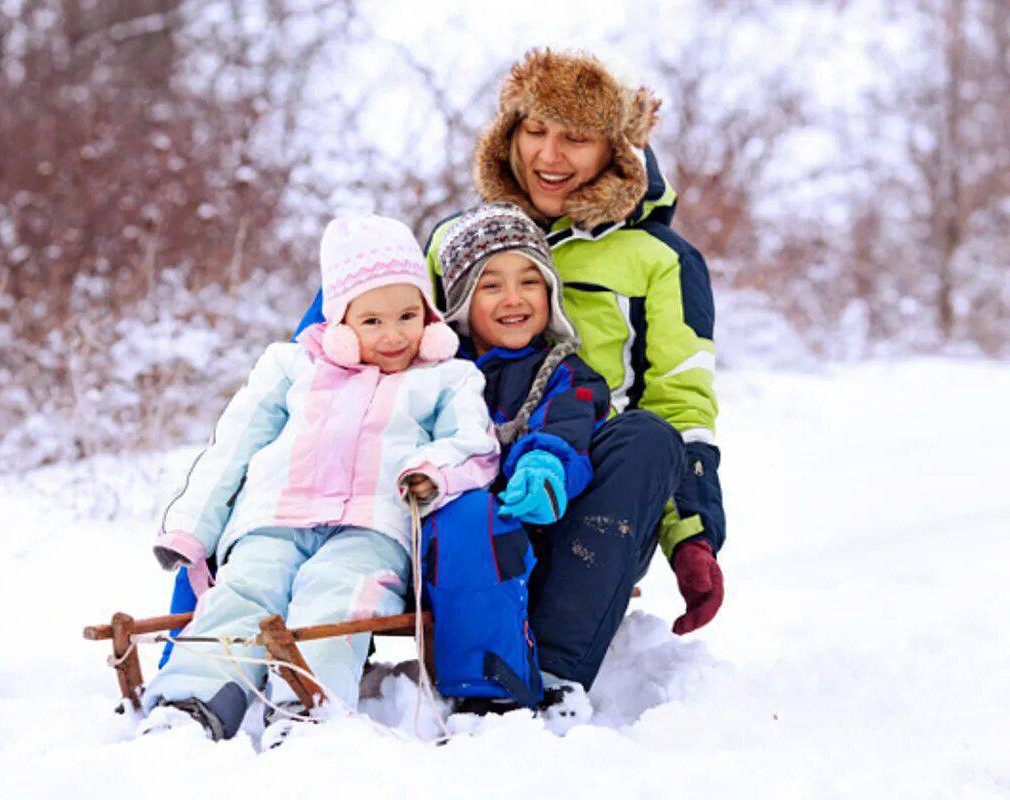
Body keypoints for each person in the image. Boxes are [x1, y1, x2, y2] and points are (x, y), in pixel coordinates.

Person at [423, 49, 727, 716]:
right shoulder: (455, 238)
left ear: (615, 149)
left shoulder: (659, 260)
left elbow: (681, 403)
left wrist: (693, 536)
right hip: (462, 478)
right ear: (509, 134)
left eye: (576, 138)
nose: (549, 155)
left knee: (646, 435)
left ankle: (553, 676)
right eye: (535, 130)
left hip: (587, 502)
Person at [140, 214, 500, 747]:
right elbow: (232, 448)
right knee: (241, 594)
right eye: (371, 321)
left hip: (372, 526)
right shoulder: (289, 367)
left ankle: (307, 708)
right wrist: (192, 530)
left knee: (338, 597)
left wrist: (431, 472)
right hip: (273, 517)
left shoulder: (447, 378)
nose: (394, 335)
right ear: (339, 320)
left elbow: (475, 445)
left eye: (407, 315)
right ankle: (191, 705)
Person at [421, 202, 614, 721]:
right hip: (411, 518)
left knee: (476, 518)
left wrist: (545, 464)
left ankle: (491, 685)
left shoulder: (563, 372)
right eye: (491, 285)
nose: (514, 299)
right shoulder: (430, 368)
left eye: (530, 282)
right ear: (461, 299)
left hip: (512, 529)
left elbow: (568, 423)